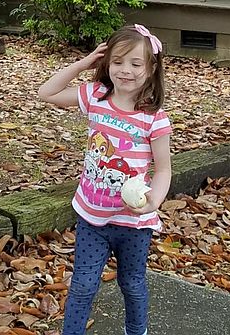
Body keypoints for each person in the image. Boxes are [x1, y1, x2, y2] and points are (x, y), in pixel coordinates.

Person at [38, 24, 173, 335]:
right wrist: (83, 63)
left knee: (132, 283)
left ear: (151, 69)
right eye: (117, 61)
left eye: (136, 64)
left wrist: (153, 201)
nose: (126, 70)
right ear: (106, 62)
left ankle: (136, 331)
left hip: (133, 223)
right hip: (92, 217)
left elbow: (163, 169)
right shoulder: (96, 96)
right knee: (83, 285)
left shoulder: (153, 118)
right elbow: (47, 93)